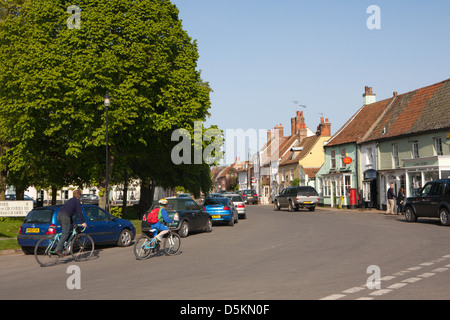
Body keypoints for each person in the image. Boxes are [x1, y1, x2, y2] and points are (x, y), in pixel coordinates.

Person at [55, 189, 87, 257]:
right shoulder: (77, 201)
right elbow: (79, 212)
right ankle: (58, 249)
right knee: (66, 233)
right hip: (65, 216)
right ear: (78, 195)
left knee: (66, 231)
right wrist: (82, 222)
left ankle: (63, 246)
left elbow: (69, 213)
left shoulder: (70, 200)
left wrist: (72, 223)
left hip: (59, 215)